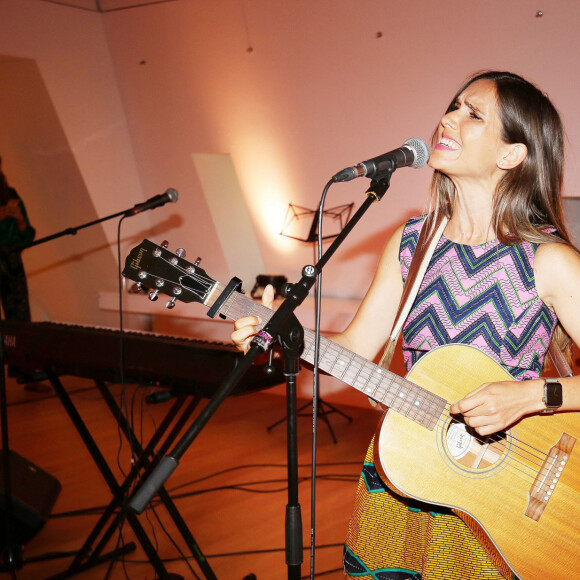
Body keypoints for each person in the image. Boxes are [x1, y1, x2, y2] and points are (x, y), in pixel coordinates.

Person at [231, 71, 580, 579]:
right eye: (454, 106)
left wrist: (532, 396)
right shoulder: (411, 243)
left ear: (512, 155)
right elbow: (353, 347)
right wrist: (279, 335)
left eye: (473, 114)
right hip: (404, 470)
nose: (449, 118)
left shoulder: (549, 261)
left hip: (502, 493)